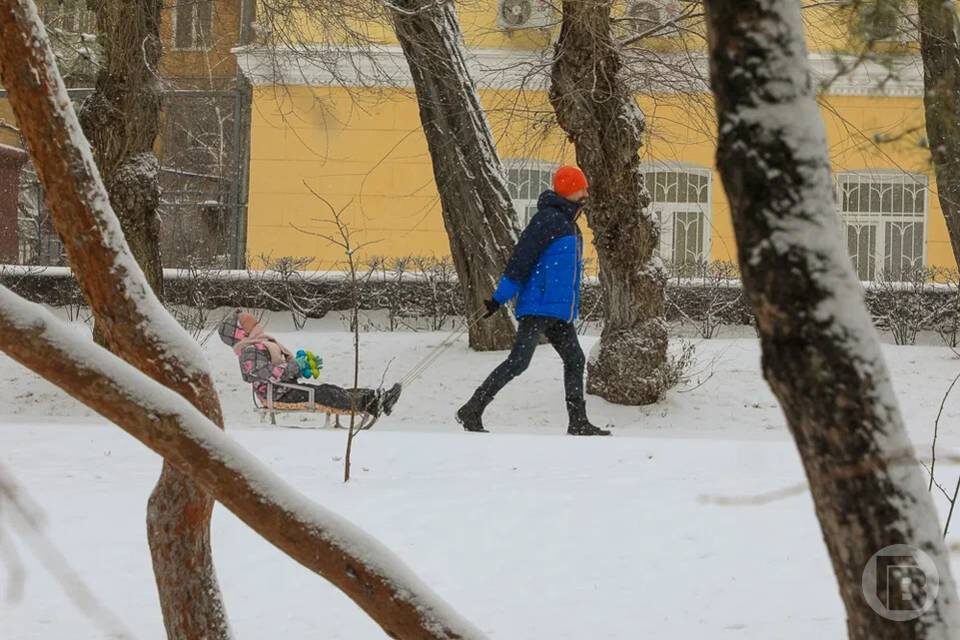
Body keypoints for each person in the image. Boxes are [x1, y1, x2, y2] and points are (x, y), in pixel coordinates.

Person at [456, 166, 609, 436]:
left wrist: (572, 308)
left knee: (575, 359)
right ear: (570, 190)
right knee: (519, 362)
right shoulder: (548, 220)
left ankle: (578, 422)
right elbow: (521, 260)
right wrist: (498, 298)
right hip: (538, 307)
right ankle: (473, 408)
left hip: (558, 312)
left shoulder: (571, 225)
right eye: (582, 188)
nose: (586, 192)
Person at [219, 310, 401, 417]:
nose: (257, 324)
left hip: (285, 389)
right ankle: (370, 403)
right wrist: (296, 366)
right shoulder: (249, 351)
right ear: (241, 334)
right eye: (252, 324)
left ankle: (375, 398)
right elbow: (262, 373)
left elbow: (279, 370)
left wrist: (301, 367)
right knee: (325, 393)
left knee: (332, 389)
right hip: (277, 395)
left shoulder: (261, 344)